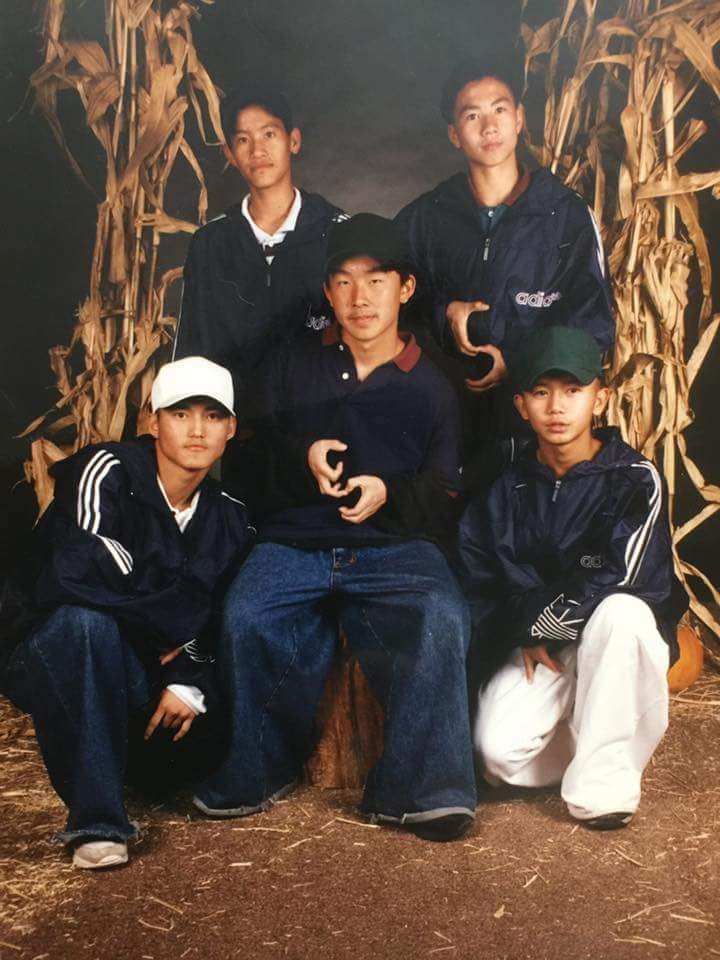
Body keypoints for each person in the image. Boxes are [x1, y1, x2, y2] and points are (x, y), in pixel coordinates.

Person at [193, 213, 477, 842]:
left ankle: (423, 789)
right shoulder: (292, 367)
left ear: (404, 289)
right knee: (245, 613)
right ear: (327, 293)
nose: (360, 298)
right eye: (344, 282)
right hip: (294, 541)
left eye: (376, 280)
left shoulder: (434, 384)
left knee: (442, 615)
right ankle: (259, 771)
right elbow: (242, 455)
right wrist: (303, 455)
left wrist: (389, 492)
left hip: (396, 548)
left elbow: (448, 491)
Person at [0, 357, 254, 869]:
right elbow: (73, 577)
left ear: (231, 428)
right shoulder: (109, 471)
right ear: (151, 420)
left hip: (145, 668)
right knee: (86, 624)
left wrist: (187, 675)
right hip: (44, 650)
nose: (197, 430)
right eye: (181, 414)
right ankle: (96, 826)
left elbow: (217, 616)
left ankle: (124, 774)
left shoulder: (230, 517)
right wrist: (174, 621)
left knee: (189, 756)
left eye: (212, 415)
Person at [458, 326, 687, 829]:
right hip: (545, 644)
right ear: (521, 405)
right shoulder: (506, 486)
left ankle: (603, 788)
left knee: (623, 614)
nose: (557, 407)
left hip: (610, 639)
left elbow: (619, 574)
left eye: (573, 390)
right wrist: (525, 629)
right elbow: (484, 574)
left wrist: (541, 622)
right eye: (541, 392)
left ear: (599, 398)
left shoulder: (633, 478)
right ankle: (595, 735)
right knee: (497, 757)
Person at [395, 53, 614, 457]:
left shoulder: (565, 214)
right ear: (454, 134)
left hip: (536, 435)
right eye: (472, 115)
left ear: (518, 119)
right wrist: (446, 314)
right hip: (442, 426)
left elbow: (592, 324)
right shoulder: (426, 216)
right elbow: (386, 305)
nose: (490, 126)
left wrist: (517, 365)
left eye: (499, 110)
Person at [173, 81, 347, 427]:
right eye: (242, 140)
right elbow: (192, 348)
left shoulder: (337, 231)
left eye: (269, 134)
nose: (257, 150)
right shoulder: (211, 242)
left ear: (293, 141)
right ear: (229, 154)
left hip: (324, 427)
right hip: (239, 433)